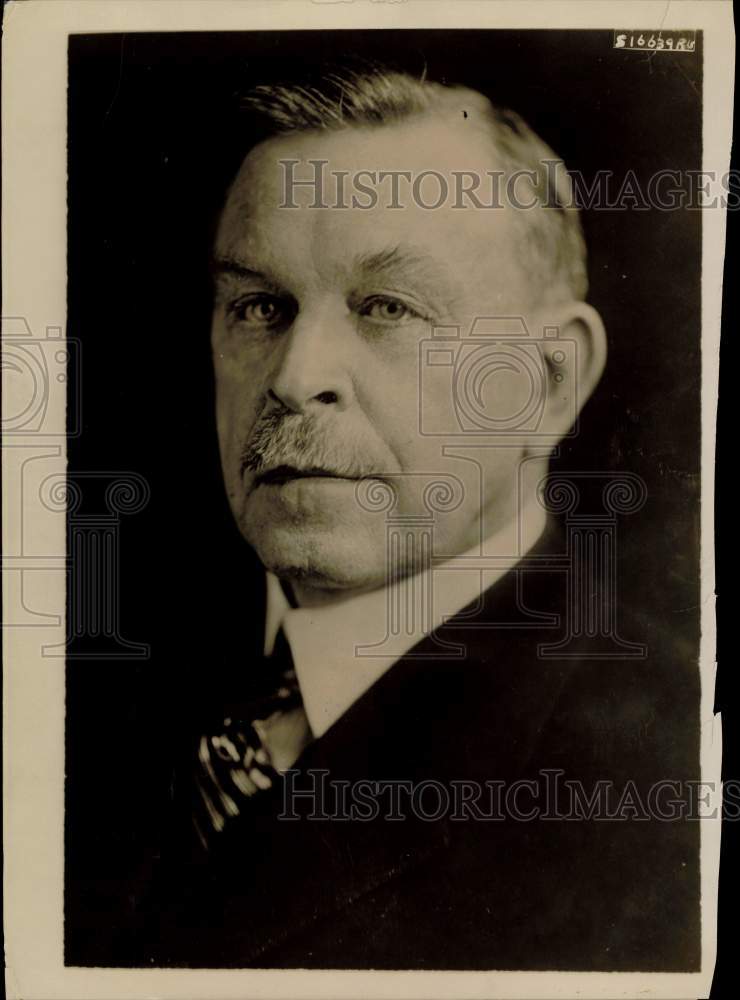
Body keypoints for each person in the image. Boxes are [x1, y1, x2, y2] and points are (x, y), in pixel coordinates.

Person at [139, 64, 700, 971]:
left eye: (387, 308)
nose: (292, 375)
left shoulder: (658, 773)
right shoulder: (90, 690)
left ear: (546, 382)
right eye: (260, 306)